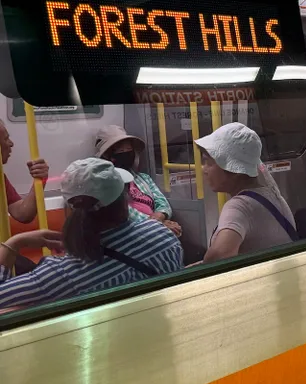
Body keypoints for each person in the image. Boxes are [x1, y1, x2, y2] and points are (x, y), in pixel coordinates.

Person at [0, 158, 182, 308]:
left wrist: (13, 243)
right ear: (123, 201)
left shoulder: (60, 275)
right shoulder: (163, 236)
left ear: (70, 209)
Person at [195, 123, 296, 262]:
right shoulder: (271, 195)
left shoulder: (240, 206)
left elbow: (219, 256)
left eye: (209, 163)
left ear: (234, 170)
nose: (204, 170)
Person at [94, 124, 182, 236]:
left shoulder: (143, 178)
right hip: (131, 231)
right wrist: (157, 224)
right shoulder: (106, 182)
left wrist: (160, 216)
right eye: (121, 150)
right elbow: (123, 212)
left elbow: (162, 202)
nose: (126, 153)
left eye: (129, 149)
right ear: (107, 155)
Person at [0, 120, 49, 224]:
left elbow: (23, 214)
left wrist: (40, 179)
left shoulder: (0, 178)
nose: (11, 143)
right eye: (5, 139)